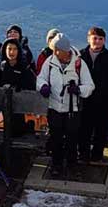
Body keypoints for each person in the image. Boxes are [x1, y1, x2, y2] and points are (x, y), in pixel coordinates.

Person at [36, 35, 94, 176]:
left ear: (66, 50)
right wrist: (43, 86)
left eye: (58, 50)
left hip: (72, 109)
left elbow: (90, 86)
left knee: (72, 138)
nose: (55, 53)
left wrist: (78, 90)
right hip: (54, 107)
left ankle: (71, 164)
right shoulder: (50, 62)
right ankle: (56, 164)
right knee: (56, 137)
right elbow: (41, 78)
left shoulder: (79, 64)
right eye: (54, 49)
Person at [79, 27, 108, 163]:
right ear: (88, 39)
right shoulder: (80, 56)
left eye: (100, 39)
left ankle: (97, 156)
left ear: (104, 41)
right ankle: (83, 154)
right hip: (84, 99)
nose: (97, 41)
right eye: (95, 38)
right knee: (84, 129)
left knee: (101, 130)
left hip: (103, 100)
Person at [0, 37, 37, 136]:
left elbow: (31, 84)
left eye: (15, 49)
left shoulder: (24, 66)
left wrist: (20, 87)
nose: (12, 52)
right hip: (4, 105)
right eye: (9, 49)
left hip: (20, 104)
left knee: (18, 130)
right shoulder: (1, 67)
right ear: (5, 50)